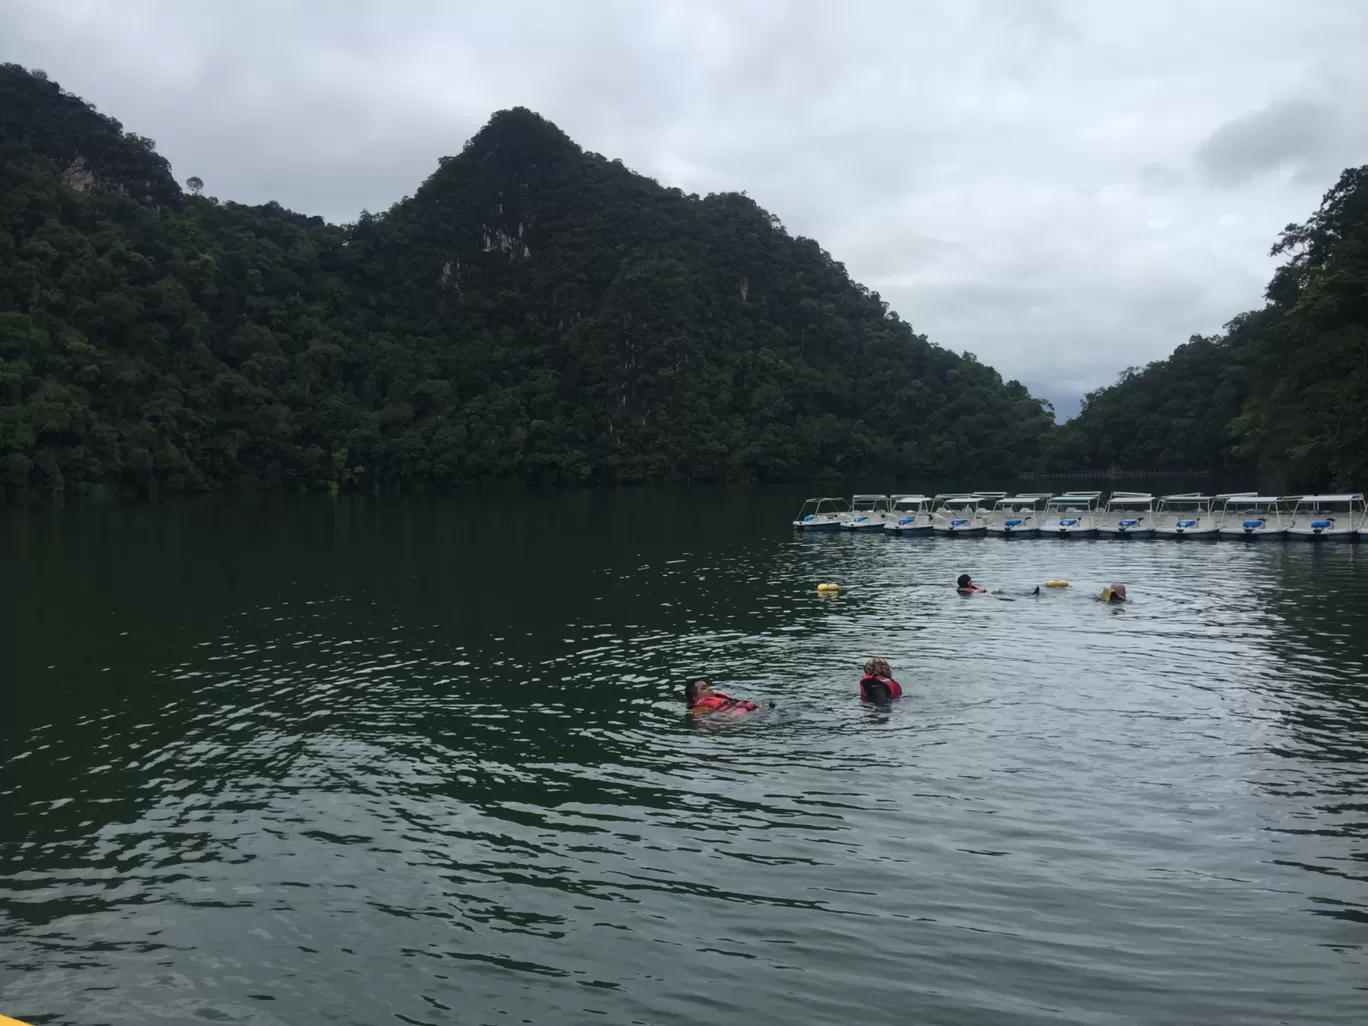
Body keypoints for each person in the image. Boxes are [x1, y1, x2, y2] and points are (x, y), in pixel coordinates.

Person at [685, 680, 771, 715]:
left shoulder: (719, 698)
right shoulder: (699, 709)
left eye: (708, 686)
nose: (709, 688)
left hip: (755, 711)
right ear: (695, 697)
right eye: (704, 688)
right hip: (748, 717)